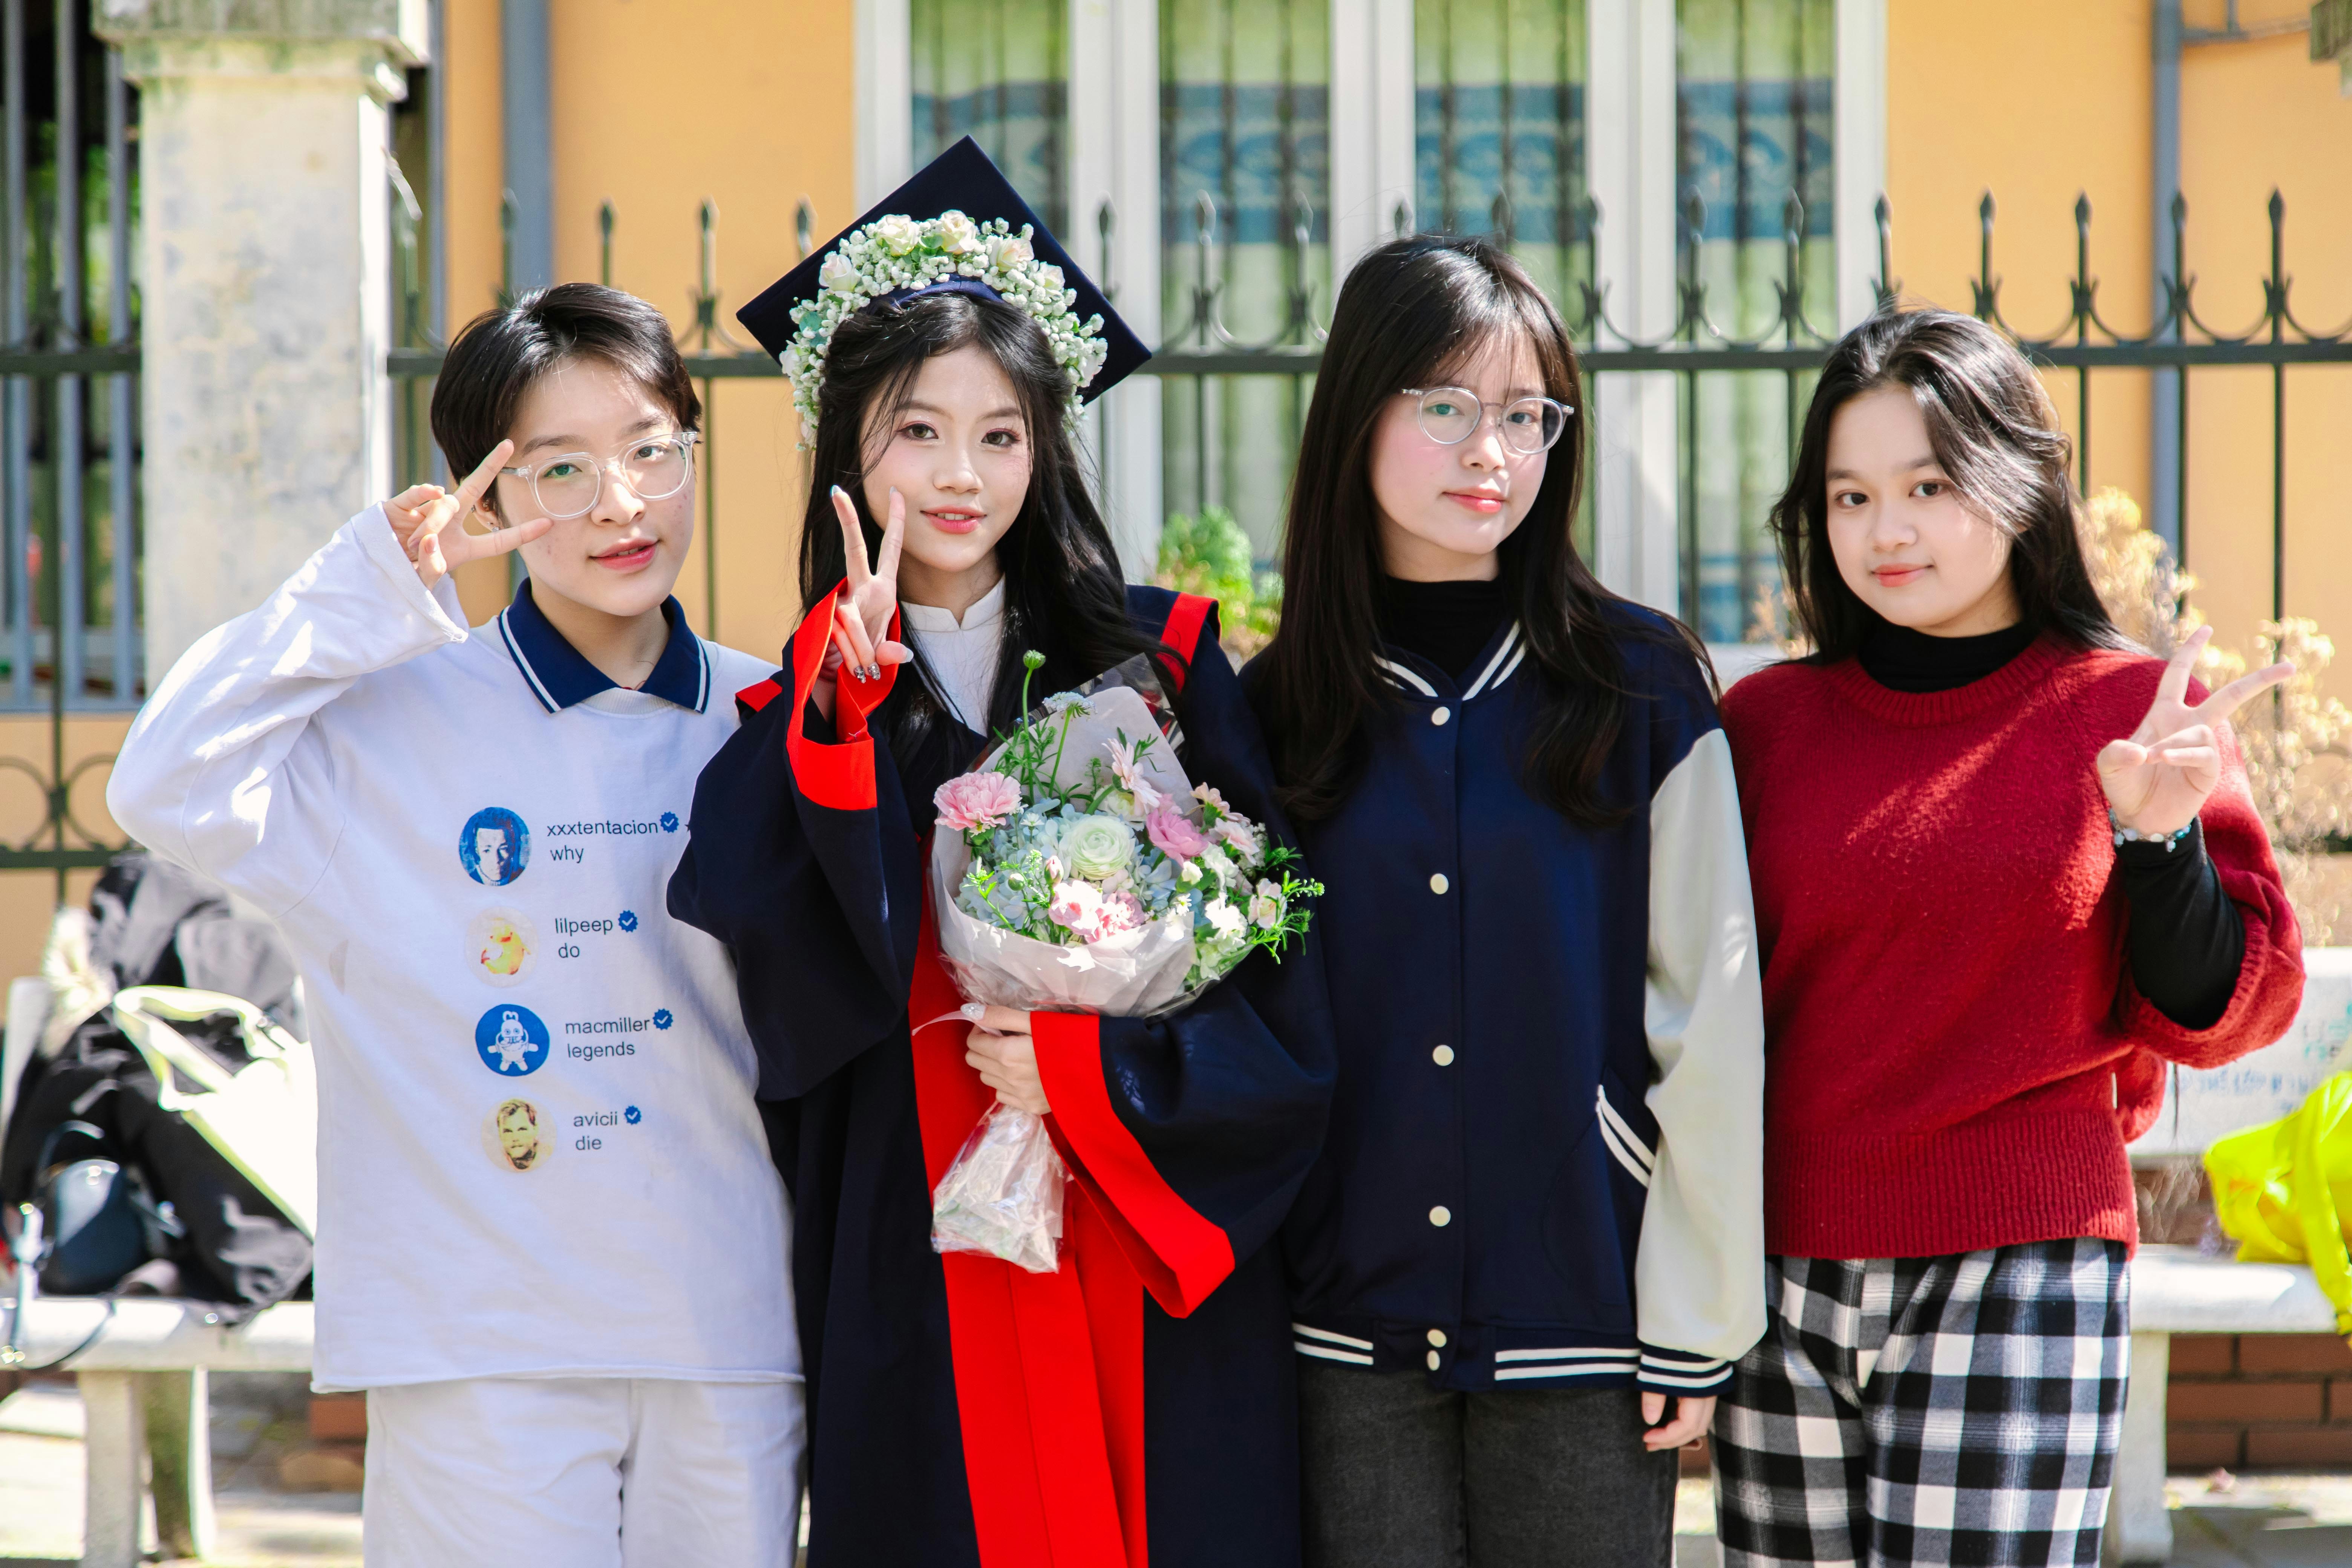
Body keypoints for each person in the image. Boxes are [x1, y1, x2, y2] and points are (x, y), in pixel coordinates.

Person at [668, 137, 1335, 1568]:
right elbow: (797, 1005)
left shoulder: (1164, 665)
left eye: (1001, 433)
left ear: (1048, 445)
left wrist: (1096, 1073)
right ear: (847, 447)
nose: (961, 477)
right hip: (922, 1255)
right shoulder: (796, 712)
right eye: (917, 431)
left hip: (1139, 1237)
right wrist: (844, 721)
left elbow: (1282, 989)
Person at [106, 283, 804, 1566]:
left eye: (655, 449)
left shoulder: (776, 719)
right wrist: (377, 576)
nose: (621, 502)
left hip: (730, 1334)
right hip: (483, 1345)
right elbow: (164, 781)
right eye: (562, 469)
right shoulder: (385, 724)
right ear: (490, 493)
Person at [1711, 306, 2308, 1567]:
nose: (1886, 531)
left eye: (1928, 485)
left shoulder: (2130, 714)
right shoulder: (1764, 724)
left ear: (2016, 478)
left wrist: (2159, 840)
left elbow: (2228, 1010)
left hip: (2021, 1266)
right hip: (1777, 1273)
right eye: (1851, 495)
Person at [1246, 233, 1767, 1568]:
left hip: (1585, 1308)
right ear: (1356, 413)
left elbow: (1709, 1011)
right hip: (1338, 1322)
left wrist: (1696, 1311)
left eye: (1528, 414)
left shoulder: (1642, 686)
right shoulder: (1274, 710)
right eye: (1447, 406)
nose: (1493, 450)